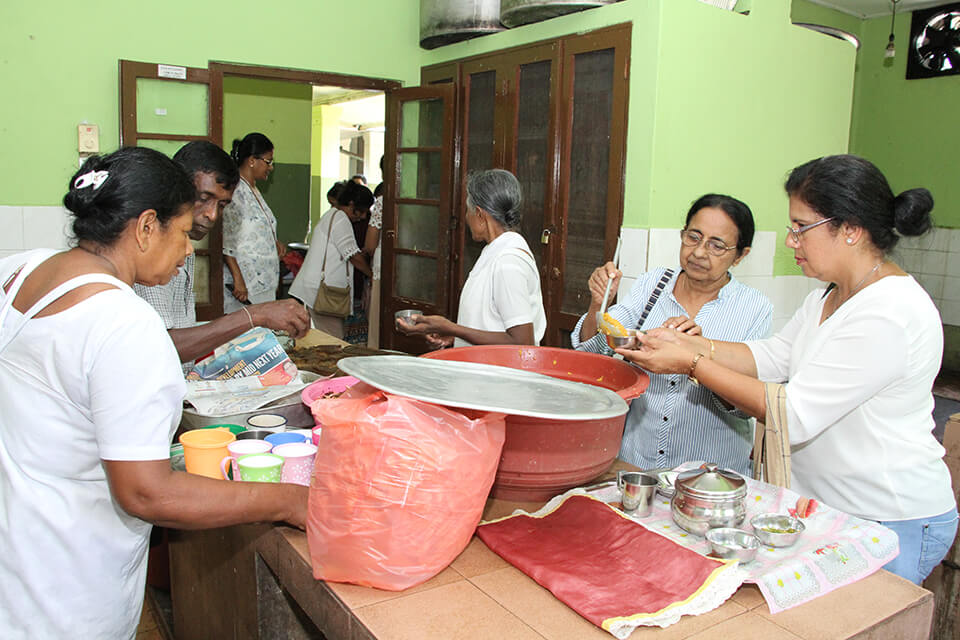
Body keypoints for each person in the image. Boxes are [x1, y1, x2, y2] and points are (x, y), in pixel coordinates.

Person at [0, 147, 307, 638]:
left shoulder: (21, 272)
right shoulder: (124, 324)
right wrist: (290, 502)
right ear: (146, 227)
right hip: (67, 586)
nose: (189, 249)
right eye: (183, 232)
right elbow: (147, 490)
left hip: (17, 551)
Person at [620, 155, 957, 584]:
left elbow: (792, 415)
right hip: (830, 508)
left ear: (850, 229)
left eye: (801, 227)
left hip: (887, 517)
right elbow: (774, 356)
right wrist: (689, 343)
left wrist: (690, 363)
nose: (790, 241)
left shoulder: (889, 312)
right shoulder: (828, 297)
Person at [573, 194, 772, 475]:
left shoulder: (755, 309)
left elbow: (745, 406)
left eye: (717, 245)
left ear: (741, 255)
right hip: (635, 462)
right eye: (693, 237)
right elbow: (595, 351)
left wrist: (695, 356)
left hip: (708, 475)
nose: (699, 252)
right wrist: (598, 304)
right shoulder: (652, 285)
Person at [134, 141, 309, 368]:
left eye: (222, 205)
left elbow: (179, 328)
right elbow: (162, 345)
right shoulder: (153, 251)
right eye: (204, 198)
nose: (212, 215)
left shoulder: (184, 247)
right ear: (176, 188)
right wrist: (254, 315)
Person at [397, 169, 546, 348]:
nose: (466, 218)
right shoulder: (495, 251)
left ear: (481, 215)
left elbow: (521, 342)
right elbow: (491, 323)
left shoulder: (508, 262)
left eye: (468, 211)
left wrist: (452, 328)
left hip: (499, 374)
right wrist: (456, 339)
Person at [288, 180, 372, 338]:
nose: (361, 217)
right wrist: (372, 274)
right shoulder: (340, 219)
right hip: (323, 291)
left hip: (315, 288)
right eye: (360, 212)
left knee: (325, 338)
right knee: (333, 341)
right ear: (351, 204)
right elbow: (353, 256)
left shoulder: (332, 215)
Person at [222, 133, 286, 313]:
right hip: (246, 287)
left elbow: (252, 231)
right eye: (268, 162)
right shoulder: (236, 192)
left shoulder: (253, 190)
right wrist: (238, 279)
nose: (271, 168)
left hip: (263, 282)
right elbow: (227, 241)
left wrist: (274, 244)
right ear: (252, 160)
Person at [364, 157, 385, 348]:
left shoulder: (382, 202)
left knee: (378, 323)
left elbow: (370, 244)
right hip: (411, 268)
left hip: (382, 266)